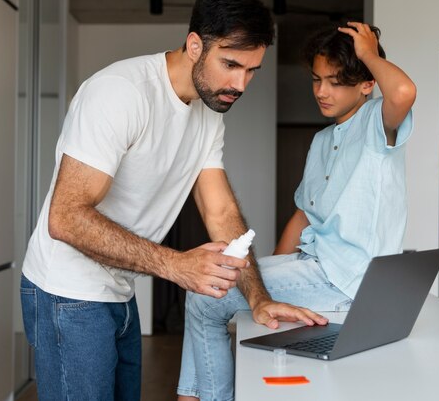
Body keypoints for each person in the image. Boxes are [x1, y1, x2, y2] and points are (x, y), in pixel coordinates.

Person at [19, 0, 316, 400]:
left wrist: (258, 298)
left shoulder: (209, 114)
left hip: (120, 292)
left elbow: (222, 213)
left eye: (251, 71)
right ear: (195, 45)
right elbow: (65, 217)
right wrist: (177, 266)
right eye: (231, 64)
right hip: (67, 293)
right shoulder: (120, 93)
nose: (241, 84)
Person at [177, 21, 416, 401]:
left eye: (336, 82)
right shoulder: (322, 140)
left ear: (367, 84)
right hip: (313, 267)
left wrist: (368, 53)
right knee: (215, 278)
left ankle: (198, 398)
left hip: (347, 282)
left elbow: (404, 91)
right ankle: (193, 396)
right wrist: (264, 282)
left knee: (208, 296)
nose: (322, 91)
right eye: (317, 79)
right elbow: (303, 215)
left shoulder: (376, 123)